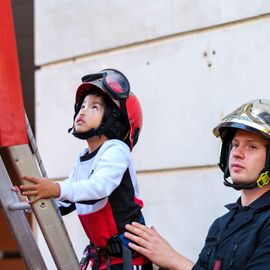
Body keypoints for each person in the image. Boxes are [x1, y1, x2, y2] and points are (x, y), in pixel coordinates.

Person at [18, 68, 153, 270]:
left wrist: (56, 188)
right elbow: (67, 202)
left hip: (128, 262)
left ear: (114, 121)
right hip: (102, 259)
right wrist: (32, 199)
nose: (82, 111)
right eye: (82, 105)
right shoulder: (83, 157)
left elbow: (99, 188)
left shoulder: (117, 150)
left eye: (94, 107)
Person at [124, 99, 270, 270]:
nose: (237, 153)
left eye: (251, 147)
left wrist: (173, 259)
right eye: (235, 144)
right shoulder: (221, 225)